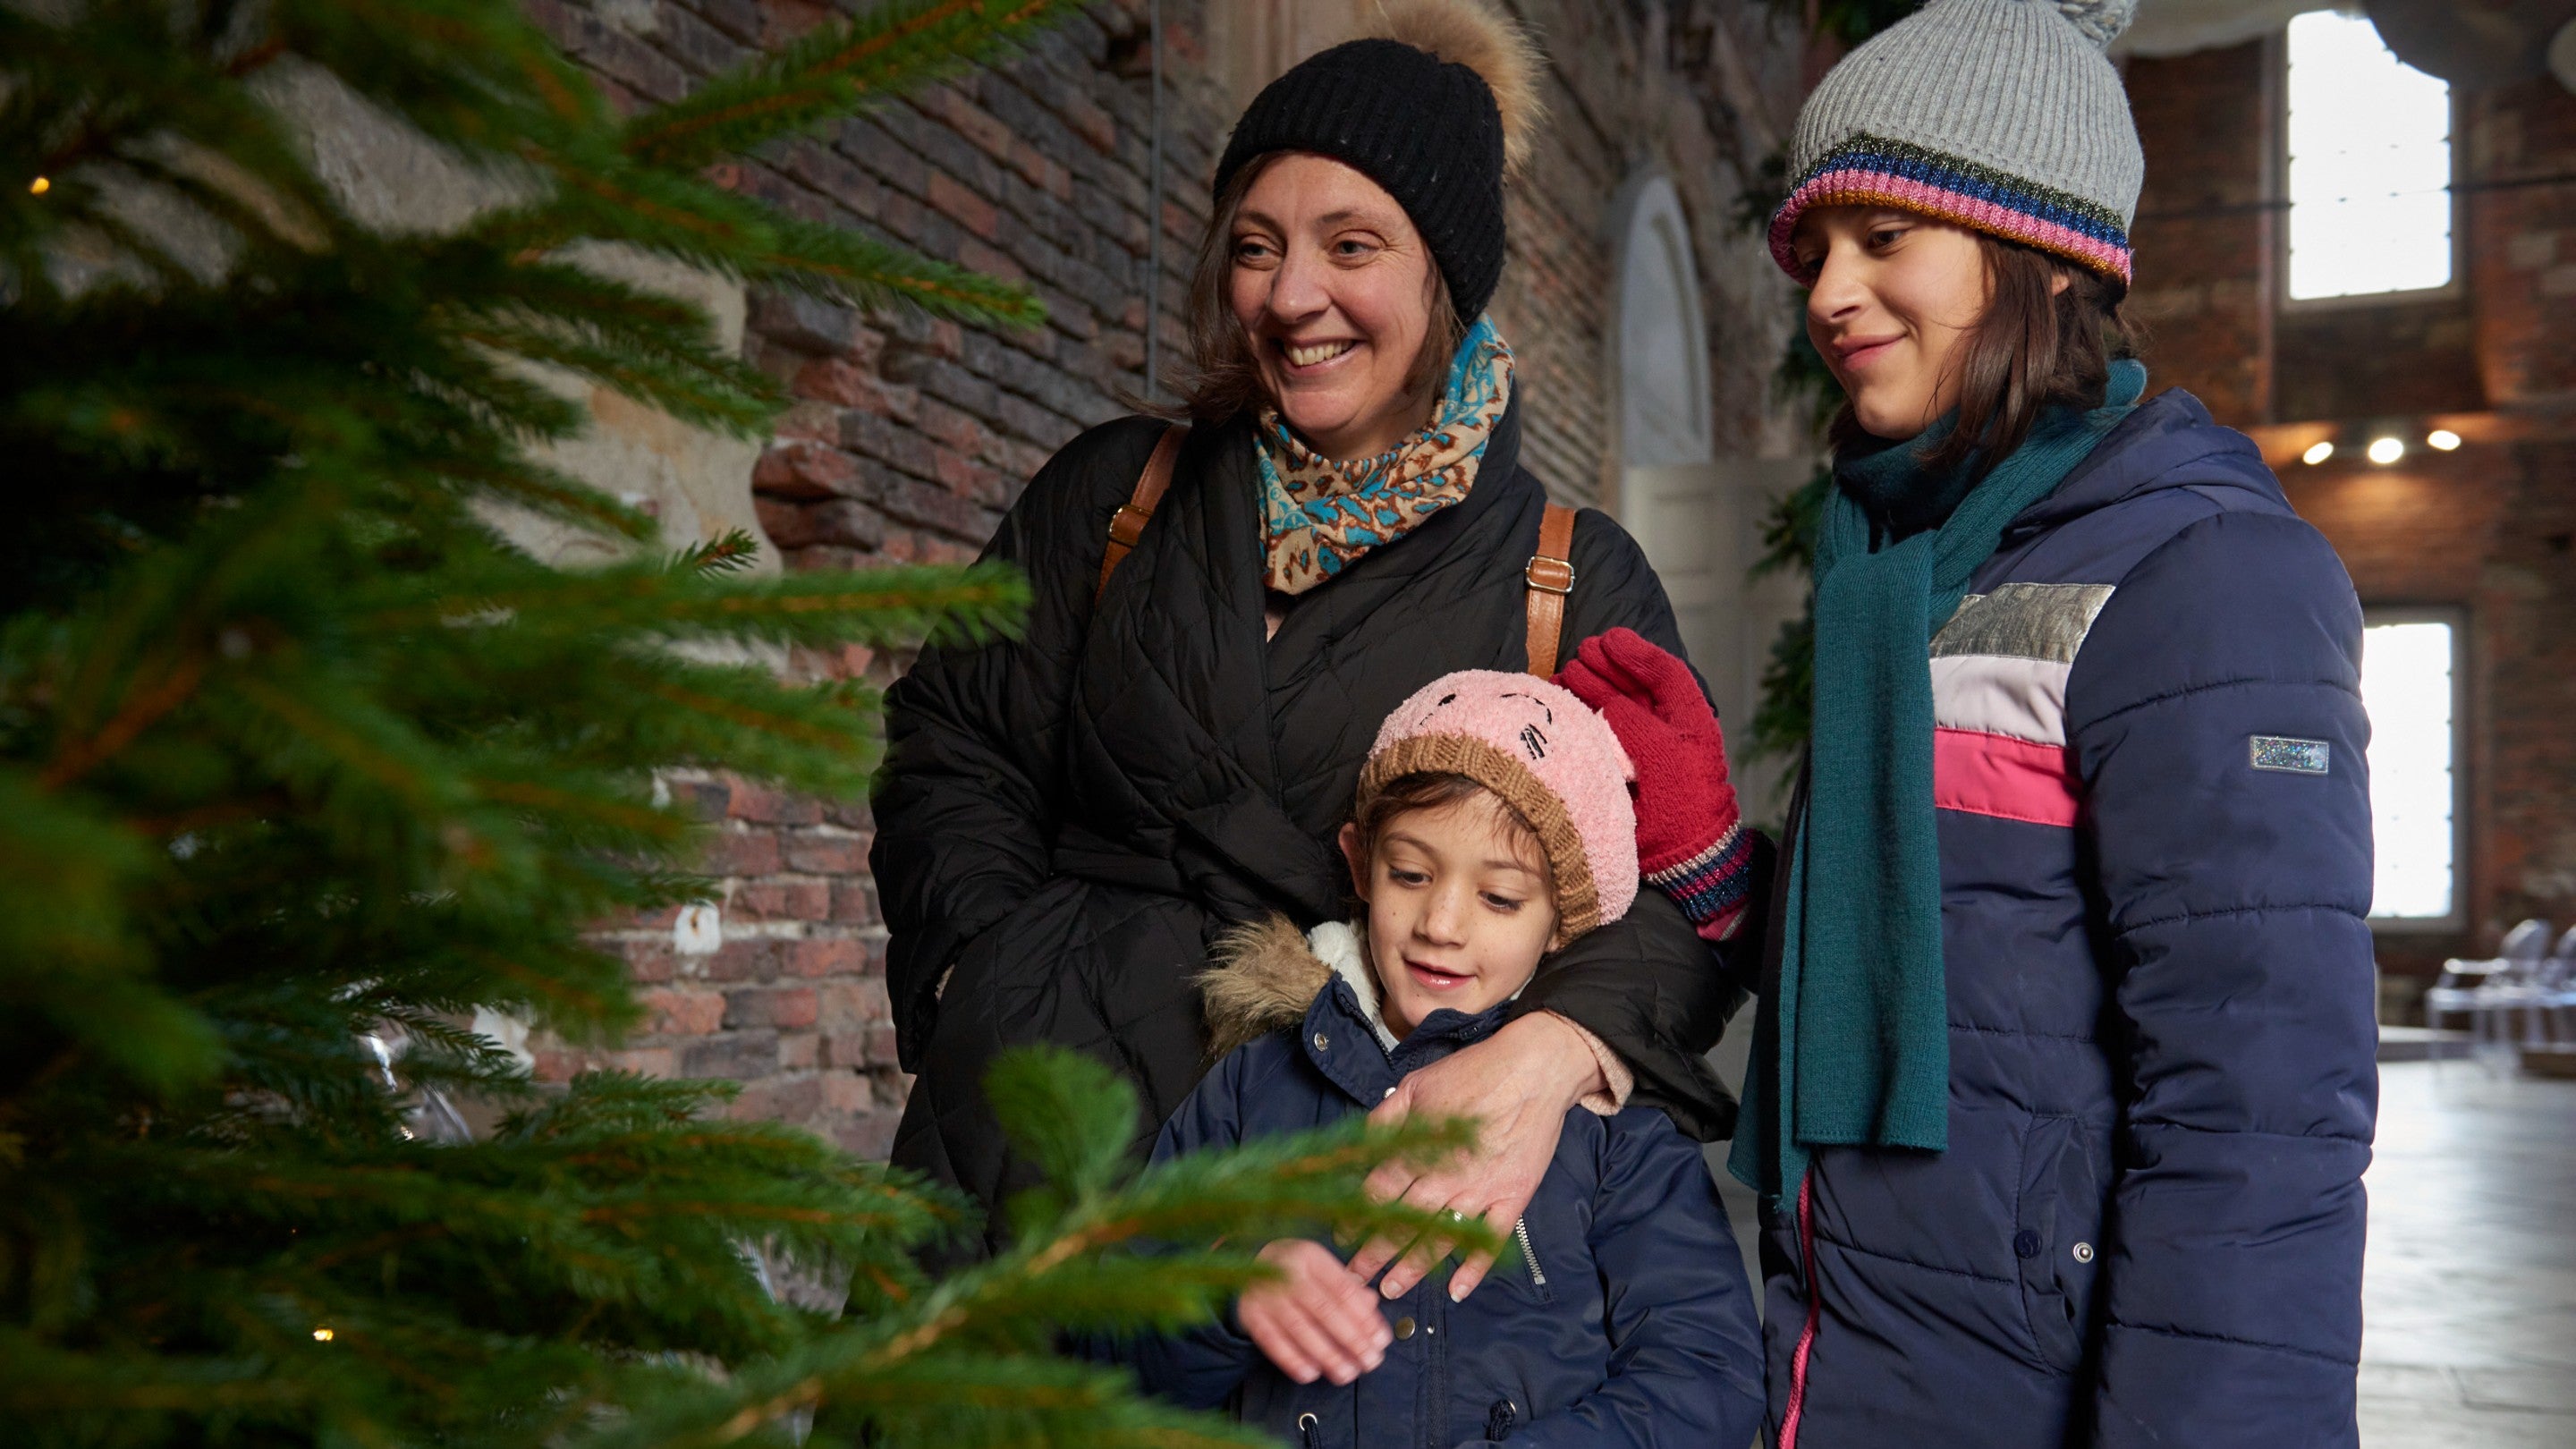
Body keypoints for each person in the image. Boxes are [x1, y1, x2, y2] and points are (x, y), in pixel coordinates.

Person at [869, 0, 1763, 1273]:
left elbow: (1684, 896)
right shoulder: (1117, 495)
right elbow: (956, 739)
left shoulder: (1567, 579)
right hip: (1020, 1143)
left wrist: (1544, 1056)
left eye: (1352, 245)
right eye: (1255, 245)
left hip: (1349, 1173)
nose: (1293, 298)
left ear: (1441, 274)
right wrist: (989, 976)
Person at [1628, 0, 2374, 1444]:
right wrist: (1716, 851)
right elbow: (1941, 964)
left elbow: (2259, 1115)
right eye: (1814, 253)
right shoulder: (1900, 570)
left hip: (2031, 1388)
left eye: (1883, 239)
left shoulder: (2207, 576)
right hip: (1844, 1352)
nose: (1830, 294)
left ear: (2036, 251)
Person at [1123, 669, 1764, 1449]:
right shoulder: (1251, 1089)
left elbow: (1709, 1377)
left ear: (1564, 919)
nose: (1442, 924)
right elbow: (1112, 1350)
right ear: (1359, 865)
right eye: (1411, 875)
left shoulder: (1616, 1133)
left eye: (1500, 898)